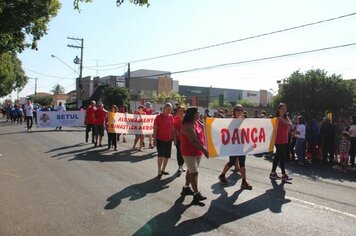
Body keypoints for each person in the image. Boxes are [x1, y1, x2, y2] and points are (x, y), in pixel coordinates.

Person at [218, 105, 252, 190]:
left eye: (241, 110)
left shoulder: (244, 120)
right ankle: (222, 175)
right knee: (232, 162)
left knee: (242, 163)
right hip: (233, 145)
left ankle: (244, 181)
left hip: (241, 145)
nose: (240, 111)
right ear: (234, 111)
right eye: (238, 110)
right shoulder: (231, 120)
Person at [180, 106, 209, 204]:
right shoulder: (187, 126)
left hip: (197, 152)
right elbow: (194, 141)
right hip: (189, 152)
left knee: (190, 170)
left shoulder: (196, 122)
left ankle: (186, 188)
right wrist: (205, 151)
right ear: (192, 115)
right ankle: (196, 194)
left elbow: (205, 129)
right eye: (197, 113)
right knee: (194, 172)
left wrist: (205, 122)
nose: (198, 114)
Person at [270, 103, 293, 181]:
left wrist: (282, 119)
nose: (283, 110)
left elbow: (290, 125)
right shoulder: (275, 118)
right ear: (279, 109)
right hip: (277, 139)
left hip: (284, 139)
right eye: (282, 108)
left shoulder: (285, 117)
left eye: (285, 108)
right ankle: (280, 174)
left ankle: (275, 173)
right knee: (279, 156)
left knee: (280, 156)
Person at [153, 103, 174, 178]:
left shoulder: (171, 117)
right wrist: (154, 139)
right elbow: (155, 129)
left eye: (170, 109)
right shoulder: (158, 117)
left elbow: (172, 127)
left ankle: (163, 169)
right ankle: (159, 170)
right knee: (161, 155)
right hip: (160, 139)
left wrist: (174, 137)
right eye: (168, 109)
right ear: (164, 109)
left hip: (169, 139)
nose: (169, 111)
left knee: (167, 156)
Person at [173, 105, 186, 175]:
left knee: (184, 153)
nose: (181, 112)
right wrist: (174, 139)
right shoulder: (175, 118)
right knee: (179, 153)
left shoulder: (186, 118)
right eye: (179, 111)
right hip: (178, 139)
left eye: (182, 111)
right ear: (177, 112)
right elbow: (174, 130)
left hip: (185, 139)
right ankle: (179, 166)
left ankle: (182, 166)